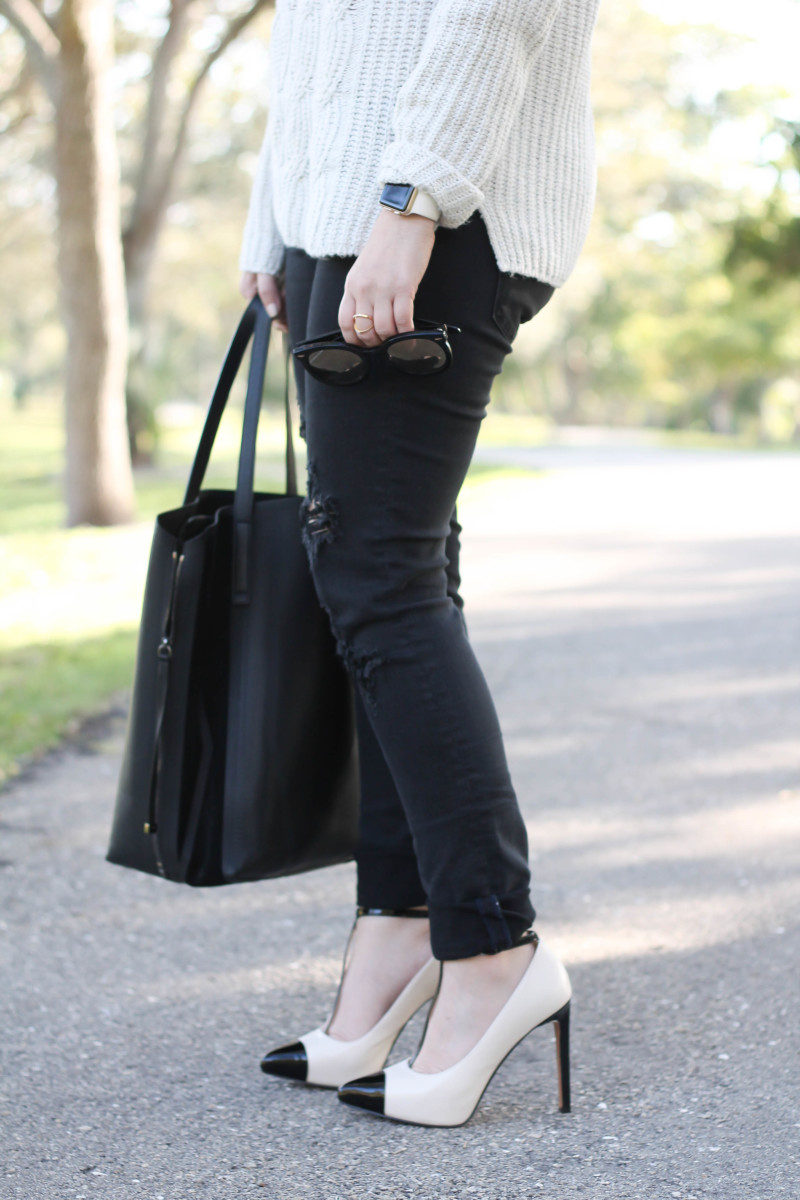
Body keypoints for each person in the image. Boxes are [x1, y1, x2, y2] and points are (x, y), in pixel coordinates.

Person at [238, 0, 600, 1128]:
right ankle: (397, 928)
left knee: (377, 578)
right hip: (337, 221)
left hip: (438, 216)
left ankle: (491, 943)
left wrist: (410, 201)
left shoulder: (418, 204)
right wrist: (273, 225)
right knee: (388, 573)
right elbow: (314, 45)